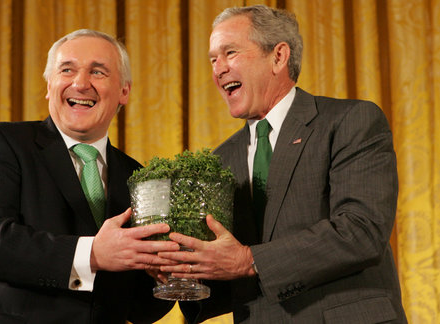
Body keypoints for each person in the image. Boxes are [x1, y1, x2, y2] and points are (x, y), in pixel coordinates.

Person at [158, 5, 408, 323]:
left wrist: (249, 260)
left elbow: (361, 231)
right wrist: (185, 274)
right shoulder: (219, 161)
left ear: (278, 57)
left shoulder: (350, 121)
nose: (217, 69)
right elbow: (230, 275)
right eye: (212, 59)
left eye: (229, 52)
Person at [0, 29, 179, 324]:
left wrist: (163, 276)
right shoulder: (1, 143)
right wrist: (92, 254)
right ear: (49, 85)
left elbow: (140, 309)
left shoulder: (140, 177)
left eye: (98, 72)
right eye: (67, 69)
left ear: (124, 91)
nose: (81, 83)